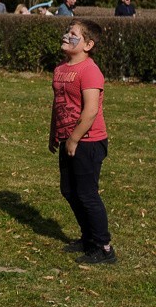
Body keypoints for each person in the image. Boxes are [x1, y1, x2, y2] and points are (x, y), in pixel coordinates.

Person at [48, 19, 116, 265]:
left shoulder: (90, 71)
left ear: (88, 44)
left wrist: (74, 139)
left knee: (87, 194)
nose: (67, 36)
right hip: (68, 139)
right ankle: (88, 237)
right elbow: (59, 105)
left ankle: (104, 247)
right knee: (68, 191)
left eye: (73, 34)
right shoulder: (60, 70)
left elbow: (90, 111)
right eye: (67, 31)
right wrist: (54, 133)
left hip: (88, 141)